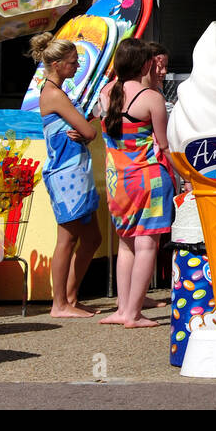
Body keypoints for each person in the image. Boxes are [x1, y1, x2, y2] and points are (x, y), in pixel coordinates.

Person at [100, 39, 173, 328]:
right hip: (148, 179)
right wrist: (187, 177)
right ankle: (134, 314)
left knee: (126, 245)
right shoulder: (151, 98)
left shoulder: (107, 93)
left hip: (117, 181)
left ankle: (122, 309)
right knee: (146, 246)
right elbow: (164, 146)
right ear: (145, 65)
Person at [32, 33, 101, 318]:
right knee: (67, 239)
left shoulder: (57, 93)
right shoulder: (54, 94)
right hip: (65, 172)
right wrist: (87, 130)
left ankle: (70, 297)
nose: (76, 67)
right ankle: (59, 303)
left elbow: (83, 129)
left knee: (93, 237)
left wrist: (86, 129)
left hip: (74, 169)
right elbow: (88, 131)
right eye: (73, 63)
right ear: (57, 64)